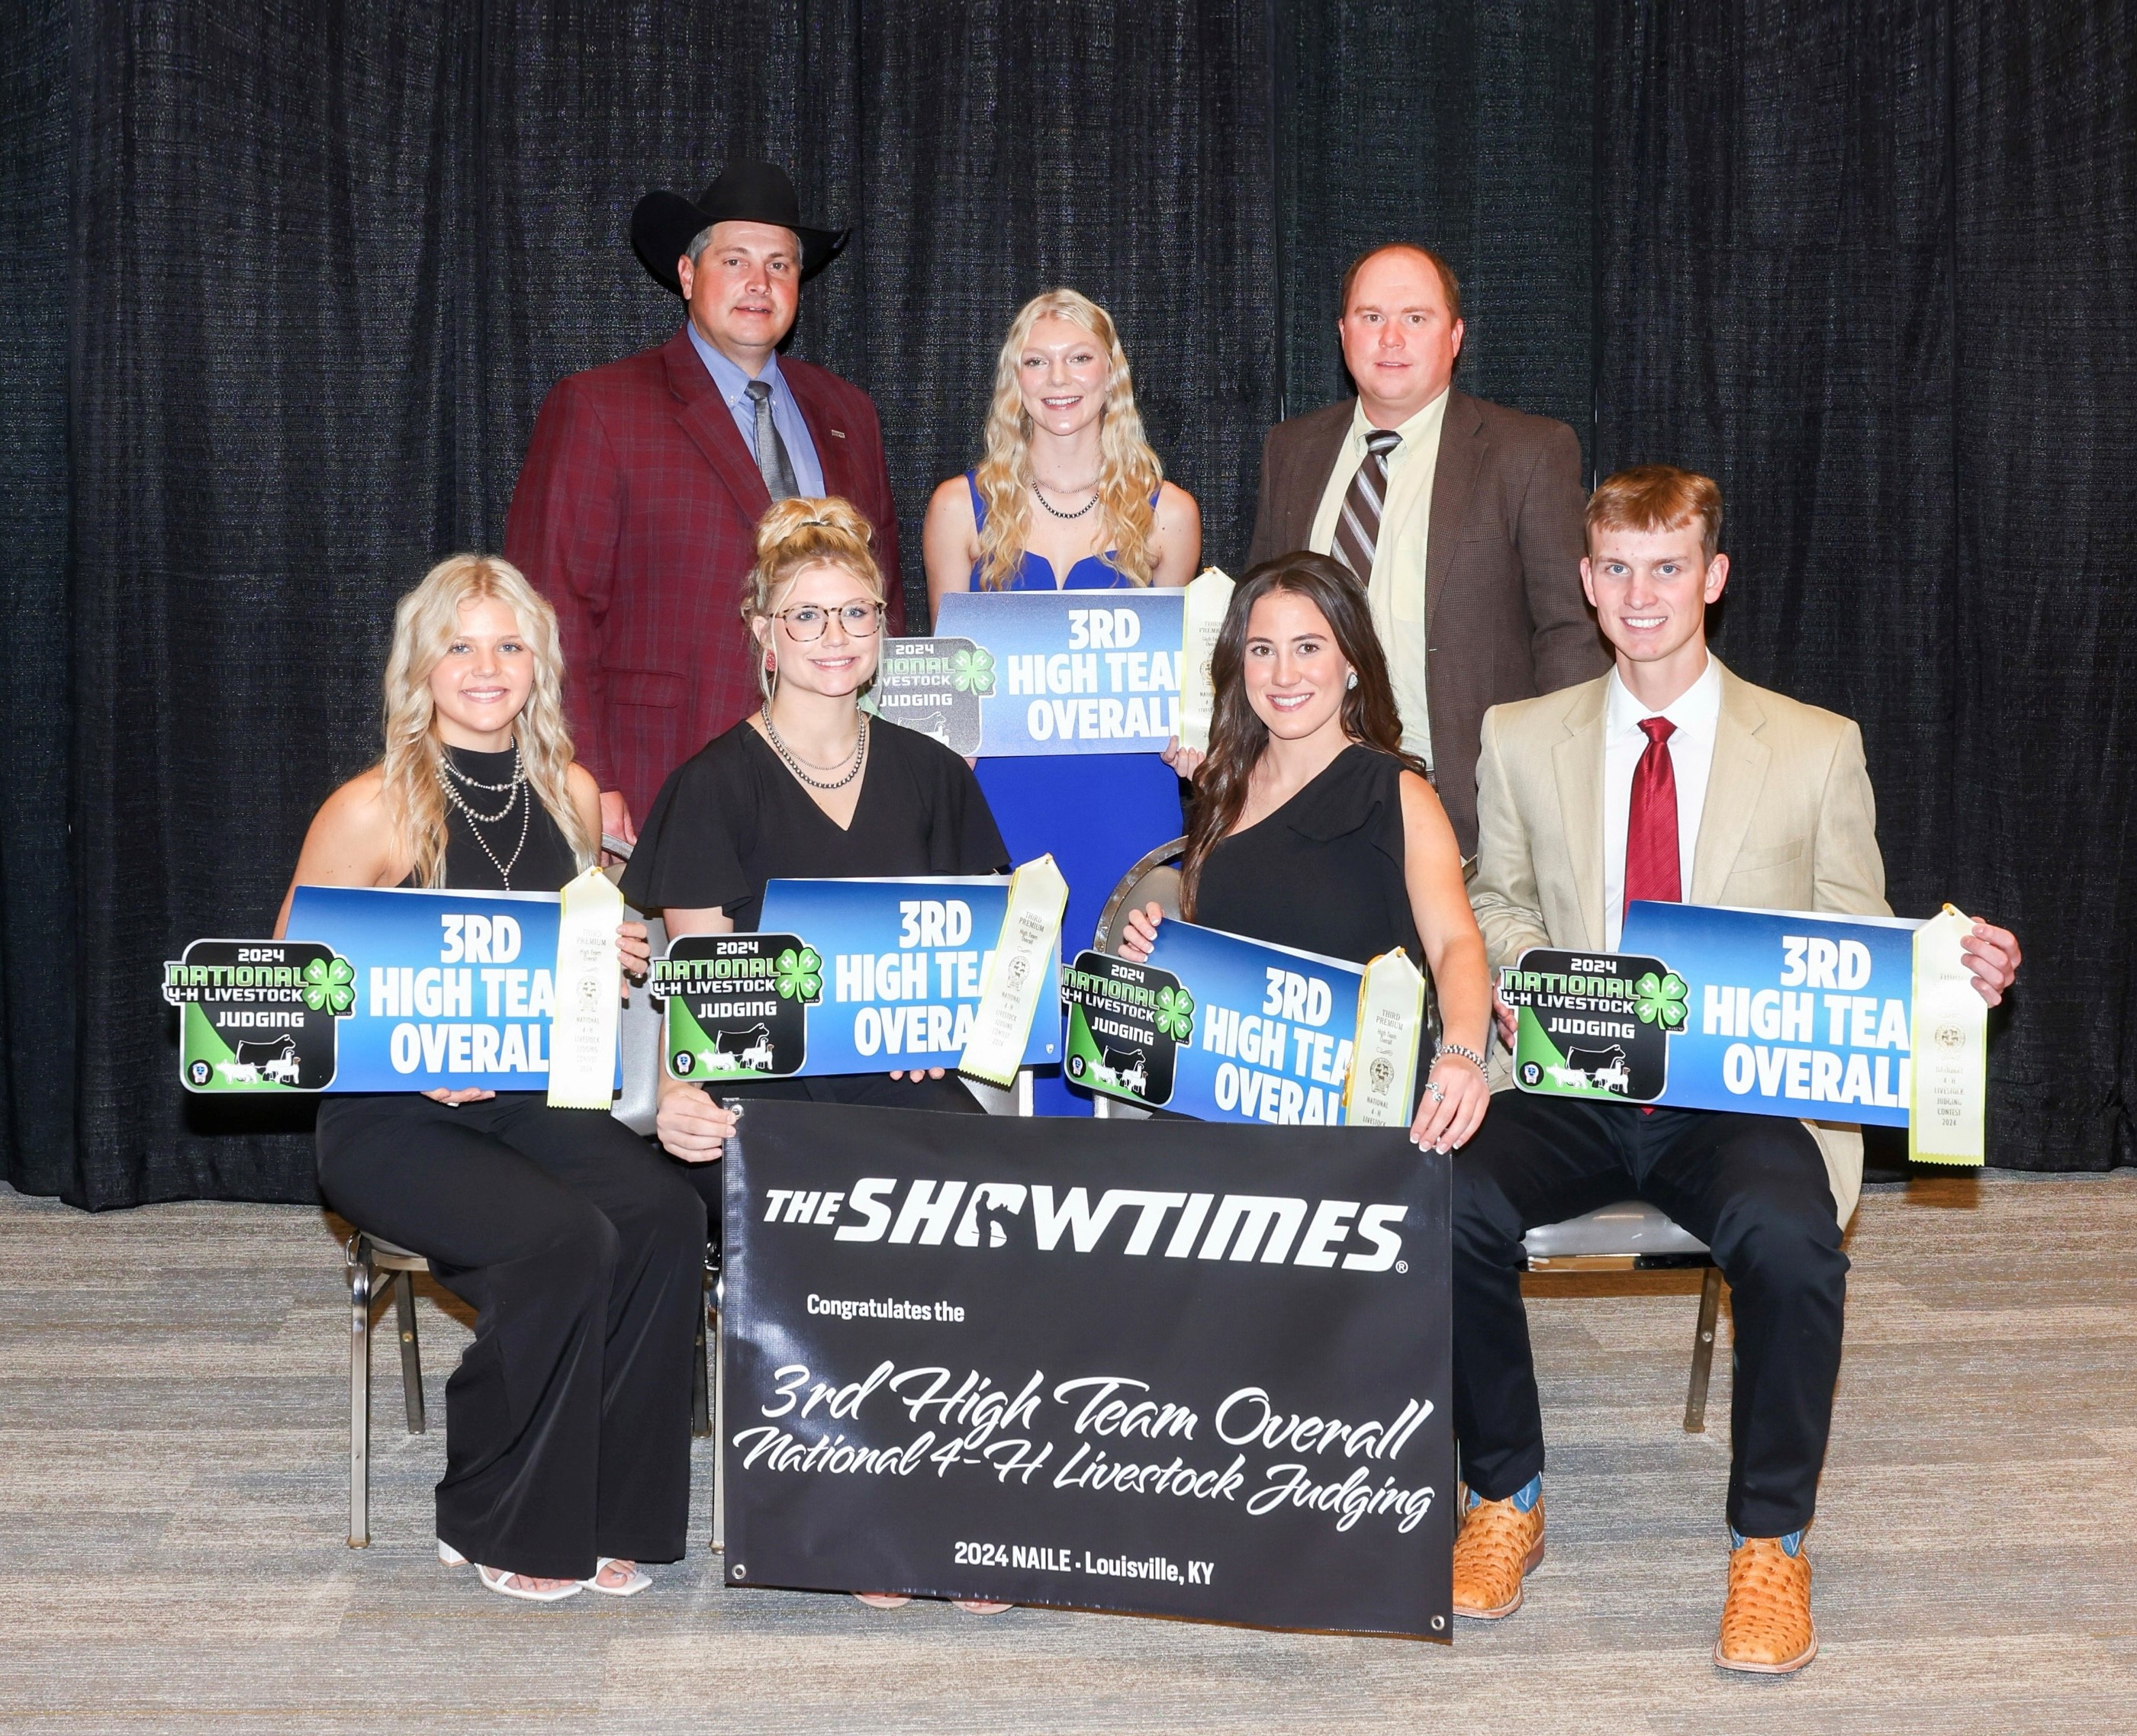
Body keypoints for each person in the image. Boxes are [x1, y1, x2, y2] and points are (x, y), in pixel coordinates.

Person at [1454, 466, 2023, 1671]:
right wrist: (1516, 967)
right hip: (1571, 1075)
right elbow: (1492, 898)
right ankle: (1502, 1495)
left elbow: (1849, 938)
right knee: (1444, 1199)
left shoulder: (1815, 748)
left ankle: (1771, 1541)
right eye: (1616, 567)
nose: (1640, 592)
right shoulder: (1519, 737)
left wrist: (1944, 969)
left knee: (1788, 1241)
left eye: (1667, 568)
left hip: (1740, 1094)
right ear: (1586, 582)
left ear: (1712, 579)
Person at [279, 555, 706, 1603]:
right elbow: (286, 1001)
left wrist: (615, 946)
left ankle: (611, 1505)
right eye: (460, 645)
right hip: (392, 1117)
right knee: (561, 1242)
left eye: (508, 644)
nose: (485, 666)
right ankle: (490, 1508)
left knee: (659, 1213)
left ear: (538, 665)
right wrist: (411, 1065)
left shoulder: (566, 793)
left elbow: (569, 950)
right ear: (421, 667)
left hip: (531, 1097)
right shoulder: (370, 810)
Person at [620, 497, 1014, 1616]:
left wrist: (928, 1025)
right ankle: (864, 1509)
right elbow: (709, 996)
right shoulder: (713, 784)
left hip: (910, 1077)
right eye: (808, 617)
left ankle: (967, 1492)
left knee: (993, 1206)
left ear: (885, 627)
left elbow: (977, 956)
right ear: (762, 630)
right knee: (845, 1212)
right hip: (767, 1092)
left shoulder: (936, 774)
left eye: (856, 614)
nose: (835, 637)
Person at [506, 160, 902, 845]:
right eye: (736, 260)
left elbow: (885, 599)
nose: (760, 283)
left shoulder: (848, 414)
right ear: (689, 276)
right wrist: (587, 777)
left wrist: (900, 760)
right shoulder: (601, 407)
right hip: (662, 777)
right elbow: (549, 606)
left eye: (779, 265)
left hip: (836, 786)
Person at [922, 289, 1202, 1114]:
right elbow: (945, 683)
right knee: (1009, 1020)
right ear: (1014, 379)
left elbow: (1179, 674)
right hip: (1003, 797)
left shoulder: (1169, 513)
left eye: (1078, 357)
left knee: (1125, 1020)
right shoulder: (956, 506)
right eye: (1036, 361)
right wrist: (945, 733)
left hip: (1126, 796)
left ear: (1111, 372)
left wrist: (1189, 729)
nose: (1059, 378)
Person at [1115, 552, 1494, 1155]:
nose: (1284, 674)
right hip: (1219, 1105)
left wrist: (1462, 1054)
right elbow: (1239, 952)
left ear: (1350, 662)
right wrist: (1166, 951)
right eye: (1262, 649)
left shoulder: (1398, 793)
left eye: (1308, 647)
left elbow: (1455, 944)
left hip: (1352, 1121)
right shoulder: (1219, 792)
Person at [1246, 243, 1607, 855]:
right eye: (1370, 317)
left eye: (1415, 318)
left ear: (1455, 335)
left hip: (1465, 807)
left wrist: (1550, 788)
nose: (1391, 339)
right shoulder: (1292, 450)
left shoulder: (1527, 452)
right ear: (1341, 333)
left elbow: (1570, 632)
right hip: (1303, 799)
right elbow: (1253, 620)